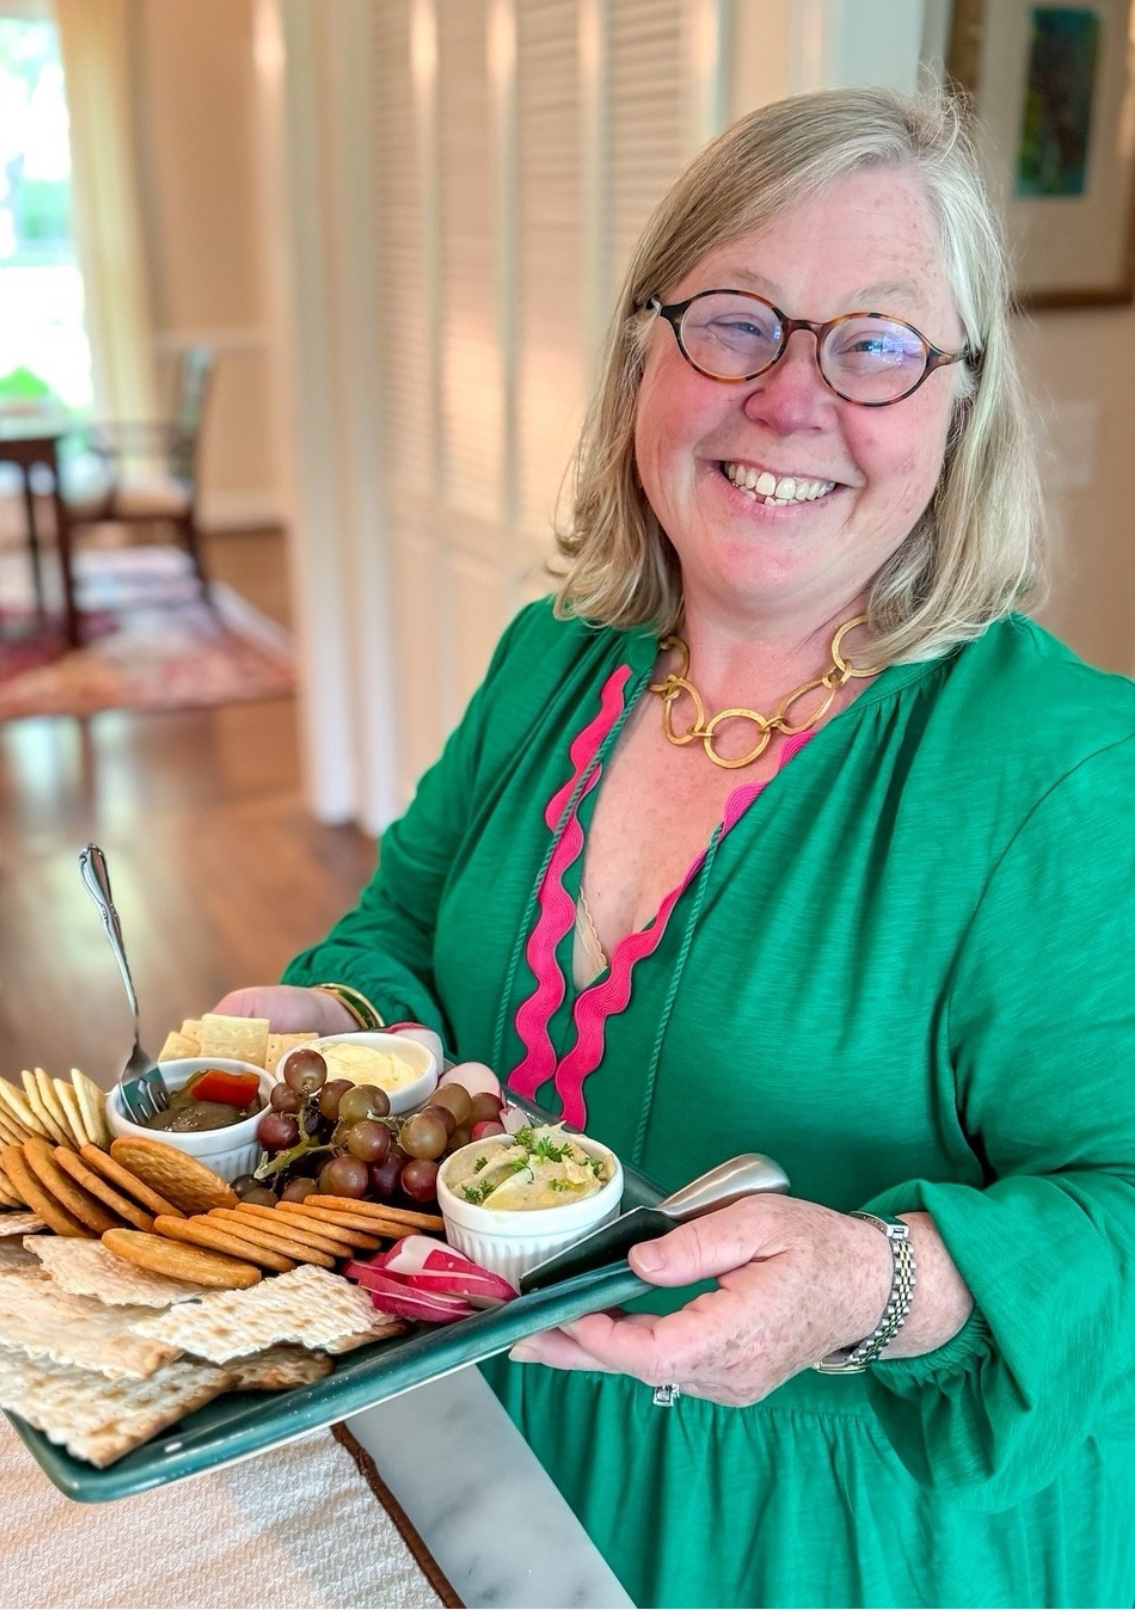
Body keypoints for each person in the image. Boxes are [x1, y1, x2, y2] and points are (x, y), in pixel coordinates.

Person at [215, 84, 1135, 1608]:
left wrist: (872, 1280)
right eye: (734, 320)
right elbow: (394, 933)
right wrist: (339, 1026)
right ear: (645, 348)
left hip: (850, 1541)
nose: (789, 398)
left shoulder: (1062, 770)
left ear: (956, 406)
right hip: (488, 1436)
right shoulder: (550, 660)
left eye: (876, 343)